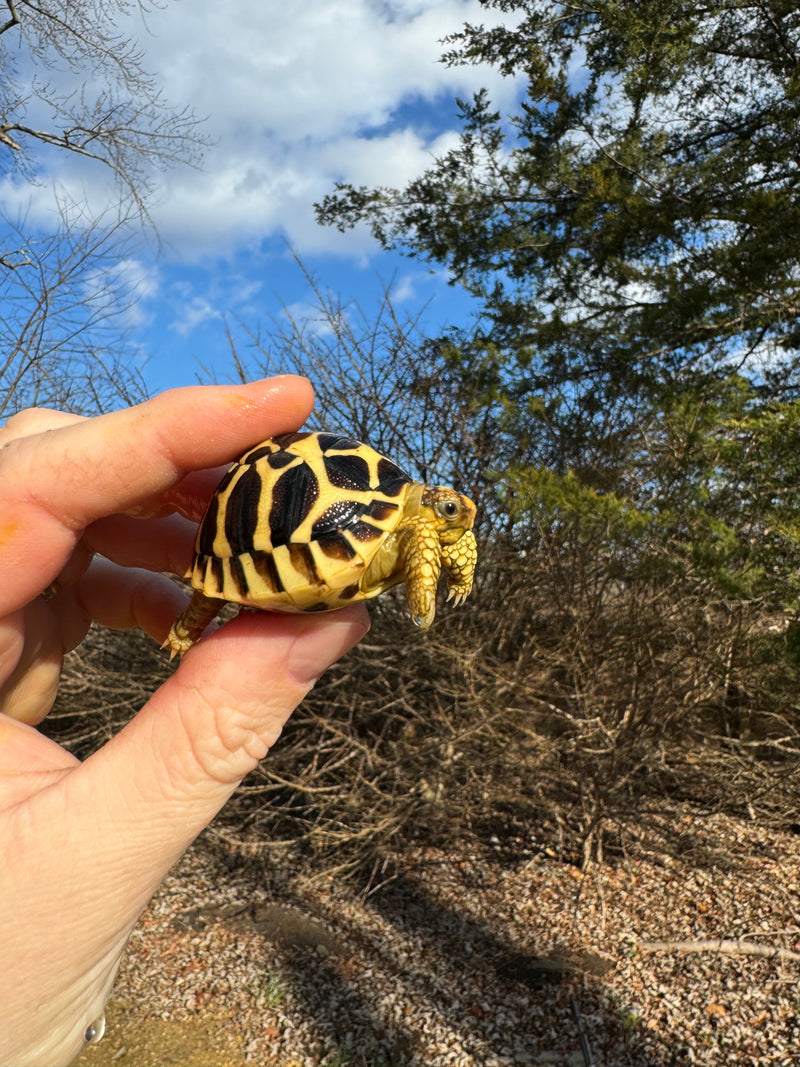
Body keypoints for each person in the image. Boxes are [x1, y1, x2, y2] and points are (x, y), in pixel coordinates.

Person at [0, 376, 370, 1067]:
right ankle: (200, 606)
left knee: (203, 598)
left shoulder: (406, 523)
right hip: (270, 530)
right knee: (201, 599)